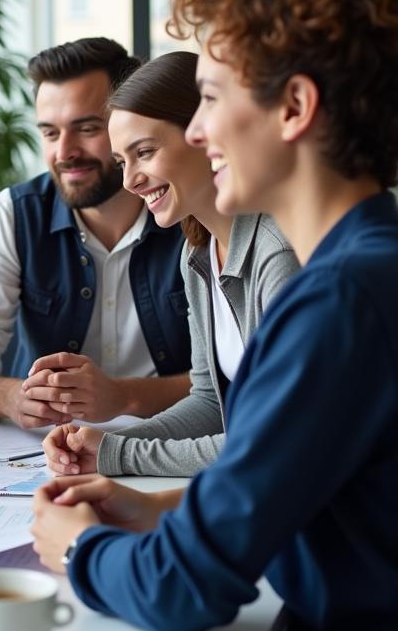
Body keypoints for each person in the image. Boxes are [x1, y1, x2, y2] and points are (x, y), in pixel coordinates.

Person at [31, 0, 398, 631]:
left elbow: (184, 591)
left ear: (294, 107)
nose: (196, 132)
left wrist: (78, 547)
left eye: (209, 99)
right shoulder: (366, 265)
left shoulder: (337, 303)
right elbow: (293, 490)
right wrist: (160, 511)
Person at [43, 51, 298, 477]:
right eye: (123, 161)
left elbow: (277, 440)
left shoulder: (277, 254)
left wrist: (118, 456)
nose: (130, 181)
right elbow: (209, 405)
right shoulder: (197, 253)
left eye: (144, 152)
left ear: (204, 134)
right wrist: (107, 444)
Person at [0, 37, 192, 430]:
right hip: (44, 458)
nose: (65, 152)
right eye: (50, 133)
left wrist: (123, 396)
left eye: (86, 128)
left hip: (172, 443)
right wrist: (12, 397)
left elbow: (234, 375)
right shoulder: (15, 213)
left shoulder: (192, 211)